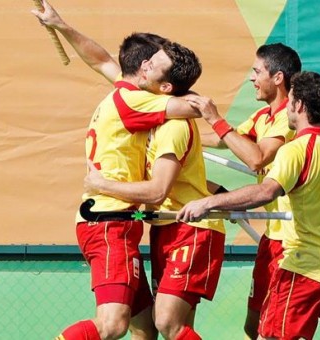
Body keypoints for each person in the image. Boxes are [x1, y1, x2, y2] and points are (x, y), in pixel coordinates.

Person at [32, 1, 204, 339]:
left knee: (145, 327)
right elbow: (195, 109)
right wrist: (186, 91)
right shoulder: (139, 101)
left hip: (114, 221)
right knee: (112, 325)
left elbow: (100, 59)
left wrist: (62, 25)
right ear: (145, 73)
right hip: (110, 223)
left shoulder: (125, 90)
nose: (150, 64)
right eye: (154, 64)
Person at [178, 71, 320, 340]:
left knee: (270, 336)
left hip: (304, 264)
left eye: (291, 101)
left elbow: (265, 191)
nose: (287, 110)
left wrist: (209, 202)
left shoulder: (297, 150)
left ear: (298, 106)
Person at [83, 93, 226, 339]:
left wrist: (101, 184)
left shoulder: (173, 127)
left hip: (189, 228)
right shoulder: (148, 123)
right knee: (163, 326)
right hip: (160, 227)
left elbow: (159, 191)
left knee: (163, 322)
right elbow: (105, 63)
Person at [187, 43, 299, 339]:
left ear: (277, 78)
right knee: (255, 326)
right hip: (271, 238)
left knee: (275, 331)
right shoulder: (263, 117)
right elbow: (227, 140)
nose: (252, 78)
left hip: (294, 241)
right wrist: (178, 134)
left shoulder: (290, 119)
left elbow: (256, 157)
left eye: (257, 71)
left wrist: (215, 118)